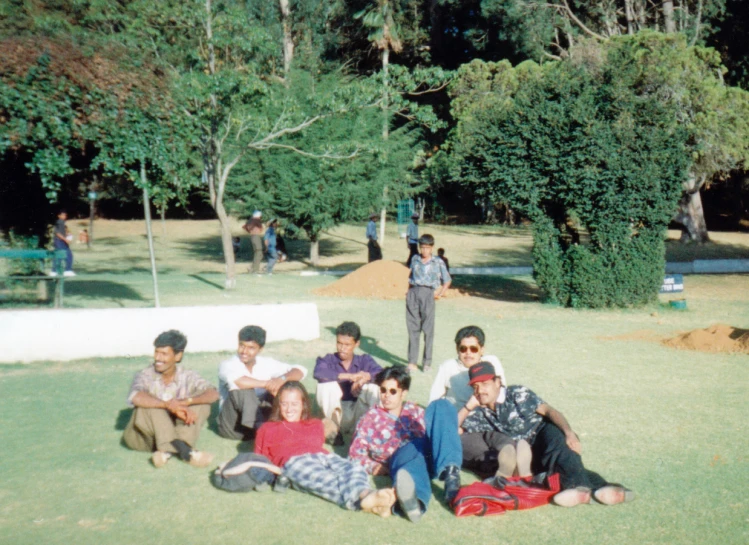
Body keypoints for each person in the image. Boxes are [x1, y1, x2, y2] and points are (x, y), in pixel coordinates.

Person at [460, 361, 635, 507]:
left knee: (559, 448)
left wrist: (568, 432)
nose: (480, 390)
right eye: (475, 386)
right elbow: (453, 432)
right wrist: (468, 407)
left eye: (485, 384)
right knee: (556, 467)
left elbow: (549, 411)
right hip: (526, 453)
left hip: (543, 433)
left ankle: (578, 489)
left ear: (497, 382)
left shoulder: (517, 393)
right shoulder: (479, 413)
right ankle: (609, 489)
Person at [254, 381, 396, 517]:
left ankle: (368, 496)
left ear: (303, 404)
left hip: (322, 457)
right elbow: (259, 459)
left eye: (294, 404)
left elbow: (318, 447)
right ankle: (369, 498)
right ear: (278, 405)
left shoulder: (315, 424)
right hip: (293, 462)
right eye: (284, 404)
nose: (289, 409)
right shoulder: (267, 429)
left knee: (353, 468)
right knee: (324, 480)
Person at [349, 366, 463, 522]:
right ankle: (413, 502)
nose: (386, 395)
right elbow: (355, 454)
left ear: (403, 393)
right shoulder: (370, 418)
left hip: (430, 456)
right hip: (401, 459)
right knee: (411, 451)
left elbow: (436, 432)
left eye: (392, 391)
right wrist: (373, 466)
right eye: (383, 390)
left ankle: (451, 475)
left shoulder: (415, 411)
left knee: (440, 405)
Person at [428, 326, 527, 478]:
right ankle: (504, 475)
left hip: (489, 420)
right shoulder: (448, 368)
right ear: (457, 349)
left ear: (482, 349)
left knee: (505, 443)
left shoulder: (491, 363)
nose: (468, 353)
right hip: (464, 425)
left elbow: (501, 393)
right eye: (463, 349)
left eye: (473, 348)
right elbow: (434, 402)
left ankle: (518, 468)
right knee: (480, 453)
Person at [122, 330, 219, 468]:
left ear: (178, 356)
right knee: (149, 404)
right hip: (144, 439)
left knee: (202, 403)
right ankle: (186, 451)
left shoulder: (187, 375)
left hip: (176, 433)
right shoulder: (145, 374)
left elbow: (213, 393)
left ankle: (168, 451)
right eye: (157, 352)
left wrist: (185, 402)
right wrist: (168, 405)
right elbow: (136, 396)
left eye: (164, 354)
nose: (158, 358)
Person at [217, 325, 307, 440]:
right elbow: (239, 381)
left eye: (251, 348)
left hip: (258, 414)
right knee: (243, 391)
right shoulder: (227, 364)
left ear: (260, 349)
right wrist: (268, 384)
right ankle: (264, 433)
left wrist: (281, 380)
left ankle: (293, 427)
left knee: (290, 385)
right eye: (241, 345)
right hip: (233, 426)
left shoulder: (266, 363)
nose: (244, 351)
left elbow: (300, 370)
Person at [313, 321, 382, 444]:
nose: (342, 348)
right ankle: (334, 433)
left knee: (373, 388)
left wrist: (364, 378)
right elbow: (319, 373)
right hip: (335, 414)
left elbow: (382, 374)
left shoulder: (364, 360)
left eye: (347, 344)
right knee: (325, 385)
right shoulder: (327, 360)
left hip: (357, 413)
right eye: (339, 343)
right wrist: (350, 376)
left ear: (357, 343)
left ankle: (367, 431)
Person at [406, 234, 451, 372]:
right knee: (413, 329)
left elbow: (447, 279)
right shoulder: (415, 259)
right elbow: (410, 276)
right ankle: (412, 362)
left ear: (432, 248)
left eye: (427, 247)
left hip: (428, 294)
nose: (424, 250)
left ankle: (427, 363)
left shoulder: (438, 262)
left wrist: (440, 293)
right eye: (422, 247)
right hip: (413, 293)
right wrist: (408, 292)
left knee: (428, 330)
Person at [50, 210, 75, 277]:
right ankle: (65, 270)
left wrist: (67, 235)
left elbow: (61, 232)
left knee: (63, 255)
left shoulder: (62, 223)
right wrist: (65, 239)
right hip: (59, 241)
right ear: (59, 216)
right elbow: (57, 233)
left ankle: (56, 271)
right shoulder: (59, 222)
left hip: (61, 241)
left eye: (65, 215)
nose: (64, 216)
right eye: (63, 215)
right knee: (64, 255)